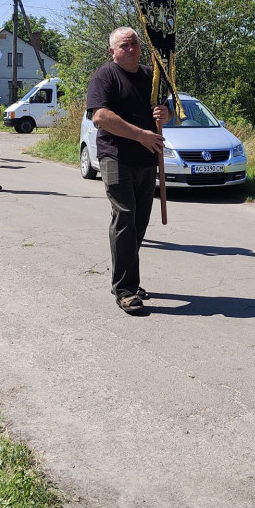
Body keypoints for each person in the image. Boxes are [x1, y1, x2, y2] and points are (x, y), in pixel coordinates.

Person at [86, 27, 170, 314]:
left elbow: (166, 112)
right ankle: (125, 290)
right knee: (125, 217)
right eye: (125, 45)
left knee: (139, 223)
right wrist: (140, 135)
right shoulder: (105, 76)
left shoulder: (151, 76)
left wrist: (165, 114)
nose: (132, 49)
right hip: (116, 157)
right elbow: (101, 116)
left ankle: (128, 280)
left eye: (135, 44)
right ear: (112, 51)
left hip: (147, 159)